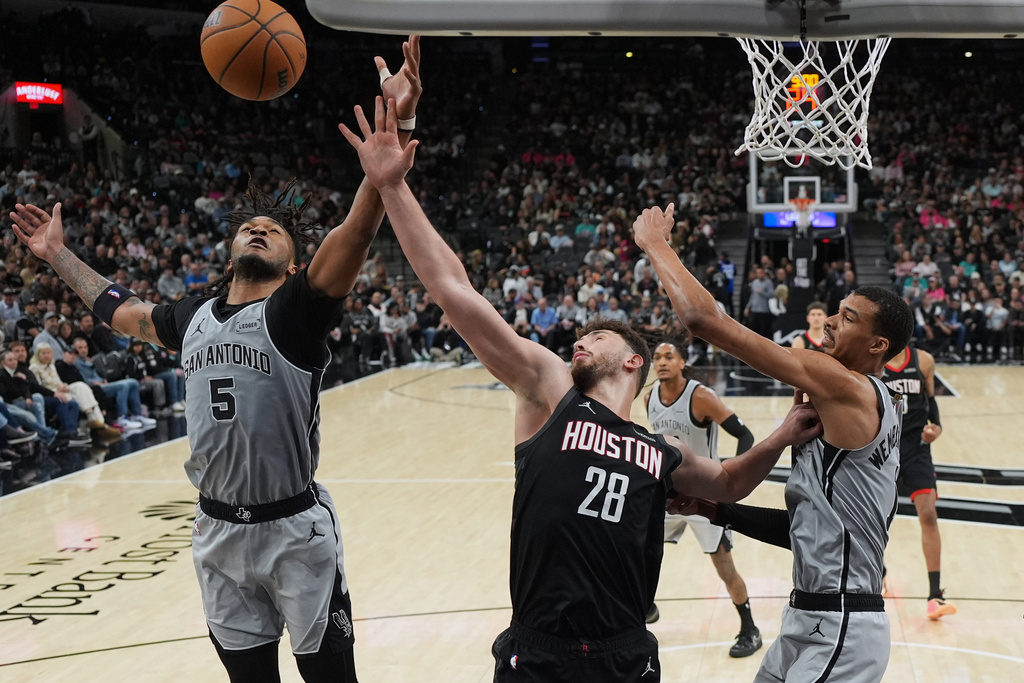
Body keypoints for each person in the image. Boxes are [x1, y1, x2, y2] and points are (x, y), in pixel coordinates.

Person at [340, 97, 822, 683]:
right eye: (580, 335)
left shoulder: (659, 452)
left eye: (596, 337)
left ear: (632, 363)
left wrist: (780, 435)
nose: (579, 341)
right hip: (540, 650)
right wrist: (392, 187)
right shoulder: (549, 395)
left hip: (625, 654)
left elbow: (729, 482)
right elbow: (452, 287)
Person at [9, 35, 423, 683]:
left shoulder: (296, 312)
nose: (259, 228)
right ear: (231, 251)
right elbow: (119, 310)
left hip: (295, 533)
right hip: (217, 531)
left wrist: (382, 169)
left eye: (276, 231)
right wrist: (57, 253)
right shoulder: (190, 316)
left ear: (292, 263)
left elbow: (357, 234)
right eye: (249, 226)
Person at [633, 203, 914, 683]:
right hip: (810, 617)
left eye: (846, 319)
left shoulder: (844, 383)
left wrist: (656, 244)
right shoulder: (864, 408)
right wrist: (716, 512)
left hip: (842, 624)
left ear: (877, 346)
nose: (829, 323)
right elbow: (804, 530)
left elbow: (703, 320)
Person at [644, 339, 762, 657]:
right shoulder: (649, 397)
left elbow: (745, 435)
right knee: (638, 547)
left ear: (683, 362)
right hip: (669, 496)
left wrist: (732, 480)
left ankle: (750, 629)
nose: (662, 362)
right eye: (657, 357)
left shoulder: (701, 396)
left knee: (724, 567)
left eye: (670, 356)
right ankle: (644, 607)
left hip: (704, 497)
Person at [881, 345, 956, 619]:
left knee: (929, 515)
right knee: (874, 518)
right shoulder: (875, 360)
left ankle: (935, 595)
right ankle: (879, 575)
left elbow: (931, 403)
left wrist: (936, 427)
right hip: (883, 449)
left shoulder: (924, 360)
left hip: (917, 449)